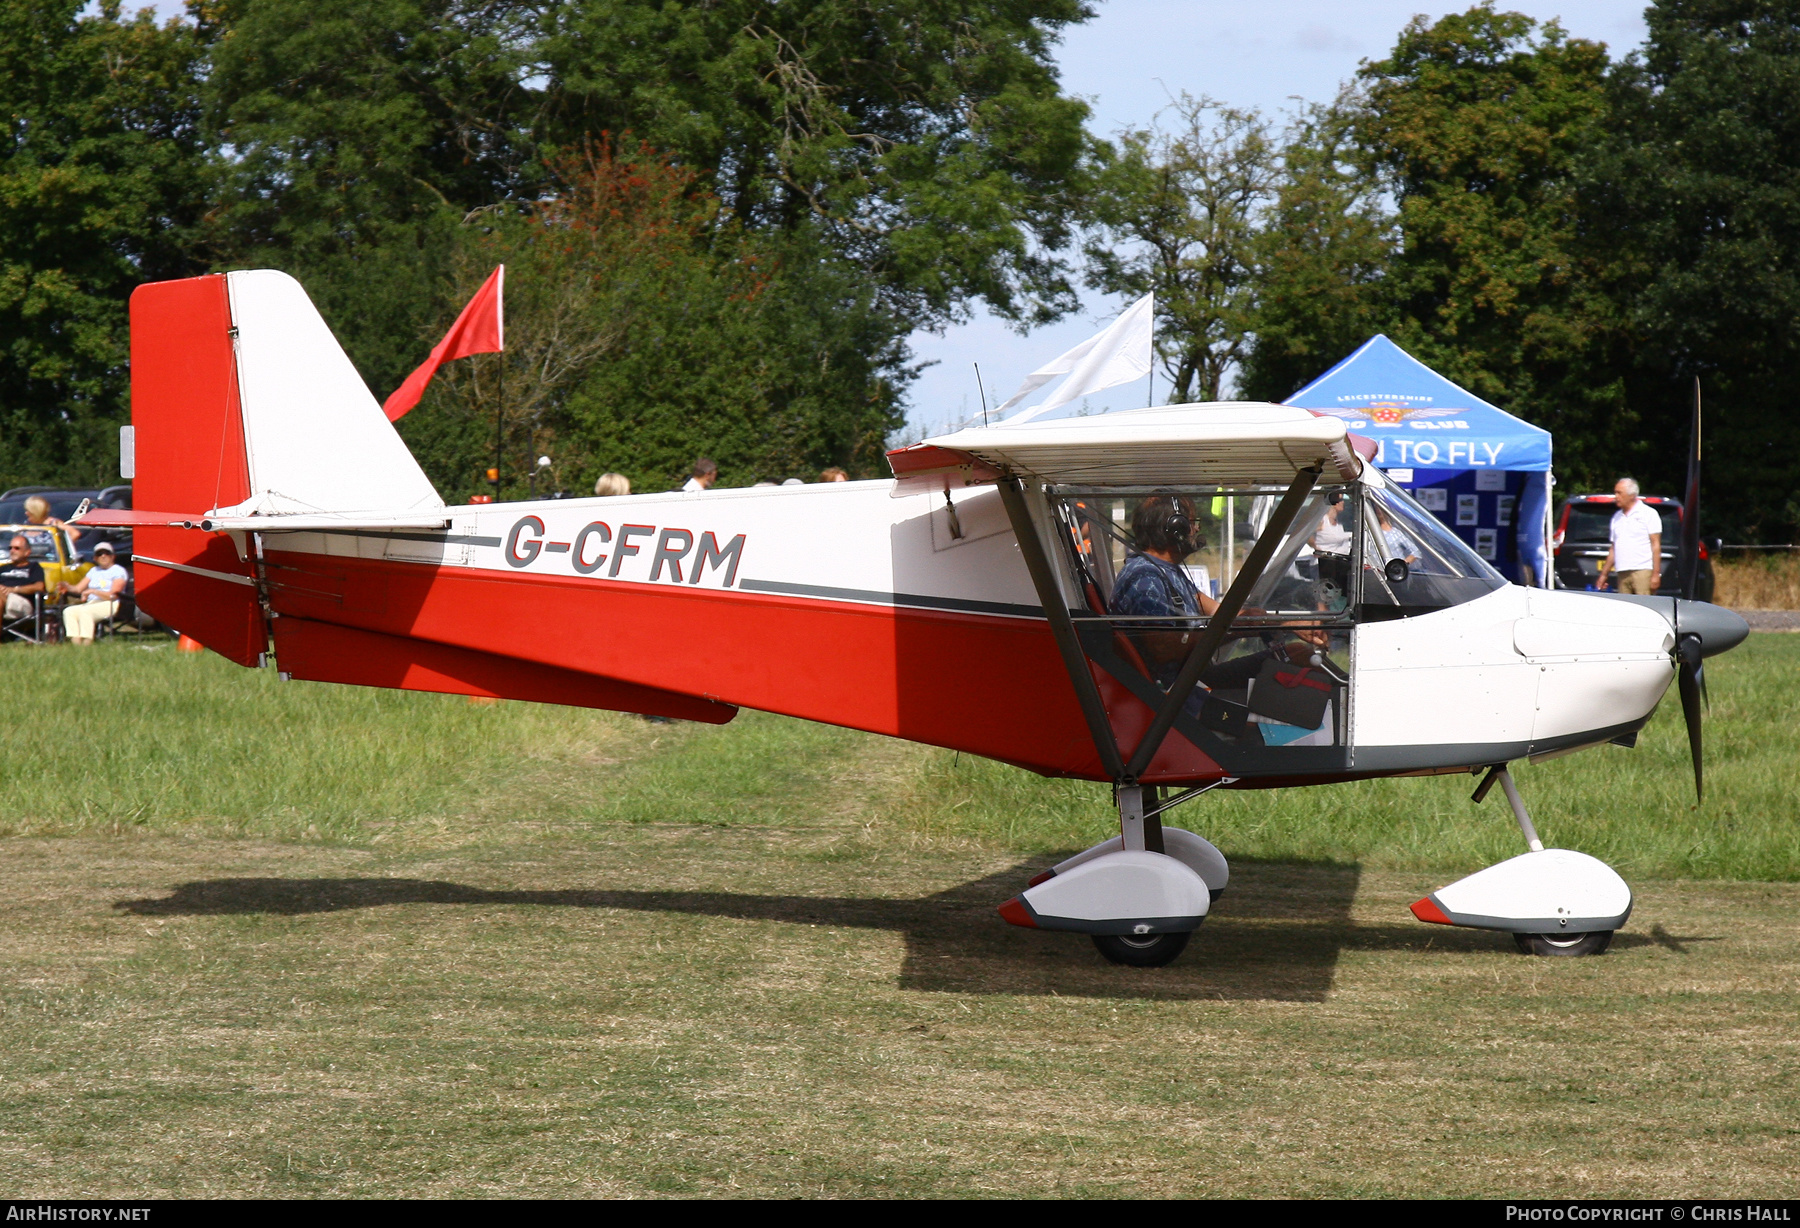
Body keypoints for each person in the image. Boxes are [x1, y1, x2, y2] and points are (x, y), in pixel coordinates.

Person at [1110, 495, 1318, 689]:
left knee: (1300, 653)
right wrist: (1236, 629)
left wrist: (1287, 622)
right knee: (1299, 667)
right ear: (1176, 529)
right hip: (1178, 694)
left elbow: (1223, 613)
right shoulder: (1146, 578)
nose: (1197, 529)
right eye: (1192, 523)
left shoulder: (1167, 571)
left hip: (1196, 677)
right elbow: (1166, 649)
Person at [1596, 477, 1661, 594]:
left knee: (1645, 607)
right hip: (1622, 571)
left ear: (1631, 495)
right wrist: (1604, 574)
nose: (1616, 496)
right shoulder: (1616, 518)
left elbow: (1655, 544)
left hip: (1642, 571)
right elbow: (1613, 548)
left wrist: (1656, 574)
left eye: (1619, 493)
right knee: (1627, 608)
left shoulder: (1648, 514)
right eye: (1615, 492)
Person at [59, 542, 127, 644]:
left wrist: (93, 591)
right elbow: (78, 589)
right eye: (99, 554)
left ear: (113, 556)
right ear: (95, 558)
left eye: (106, 553)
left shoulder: (118, 571)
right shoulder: (93, 571)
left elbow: (113, 595)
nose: (103, 556)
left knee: (86, 611)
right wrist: (67, 586)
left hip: (111, 603)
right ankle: (76, 644)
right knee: (69, 611)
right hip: (93, 603)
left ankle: (87, 642)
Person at [1, 534, 45, 623]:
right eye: (10, 548)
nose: (12, 551)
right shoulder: (3, 568)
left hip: (21, 601)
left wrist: (14, 589)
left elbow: (39, 587)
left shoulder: (34, 567)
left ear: (27, 552)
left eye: (17, 548)